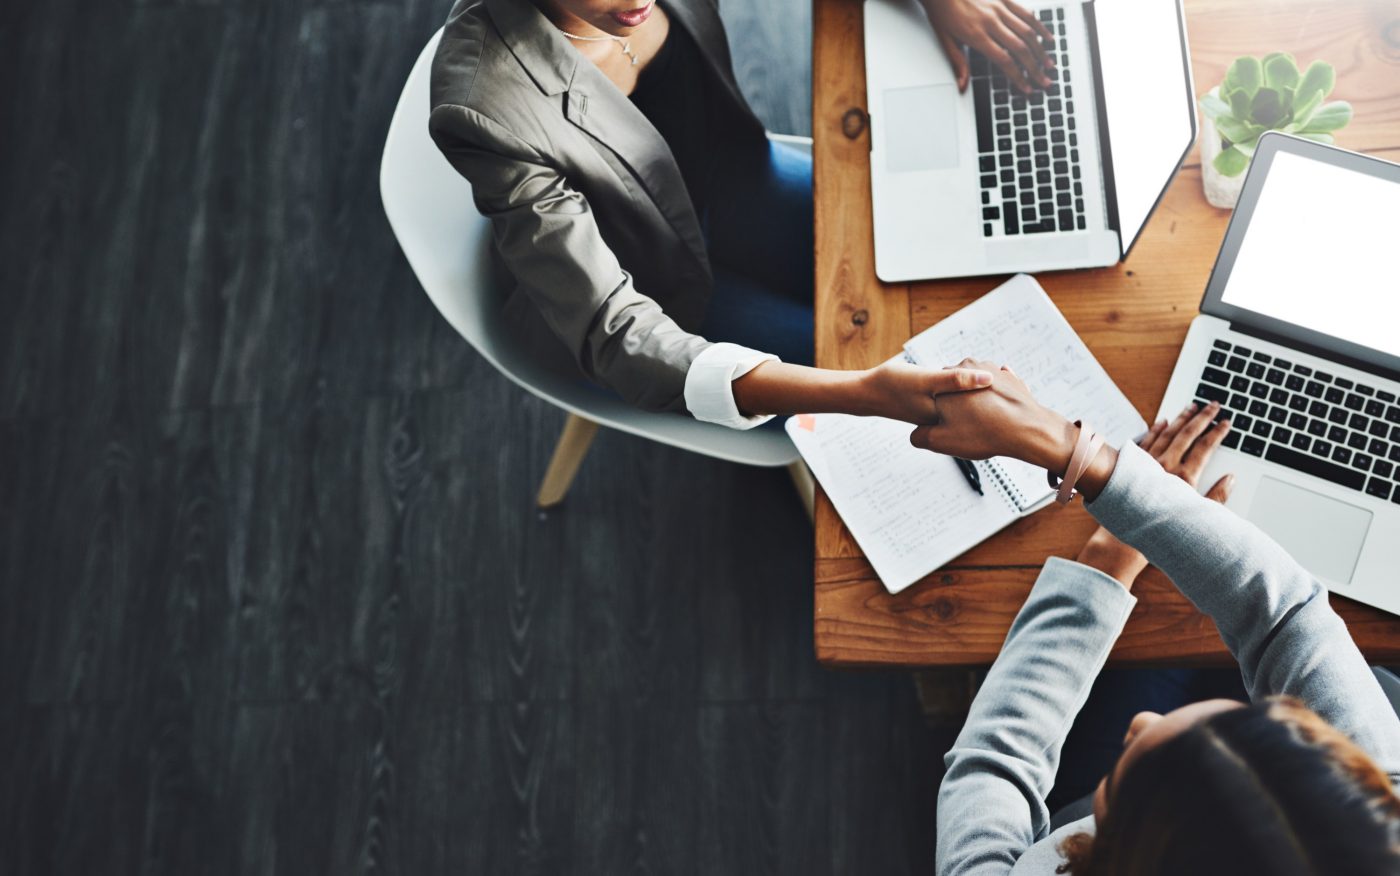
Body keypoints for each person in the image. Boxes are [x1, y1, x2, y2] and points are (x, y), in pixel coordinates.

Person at [428, 0, 1053, 430]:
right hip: (655, 293)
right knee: (891, 369)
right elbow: (614, 334)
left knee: (946, 254)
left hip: (738, 180)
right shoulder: (481, 106)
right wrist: (862, 393)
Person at [911, 360, 1400, 875]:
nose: (1142, 724)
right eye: (1241, 719)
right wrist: (1079, 455)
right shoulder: (1371, 816)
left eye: (1138, 778)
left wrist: (1104, 563)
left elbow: (993, 765)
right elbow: (1284, 614)